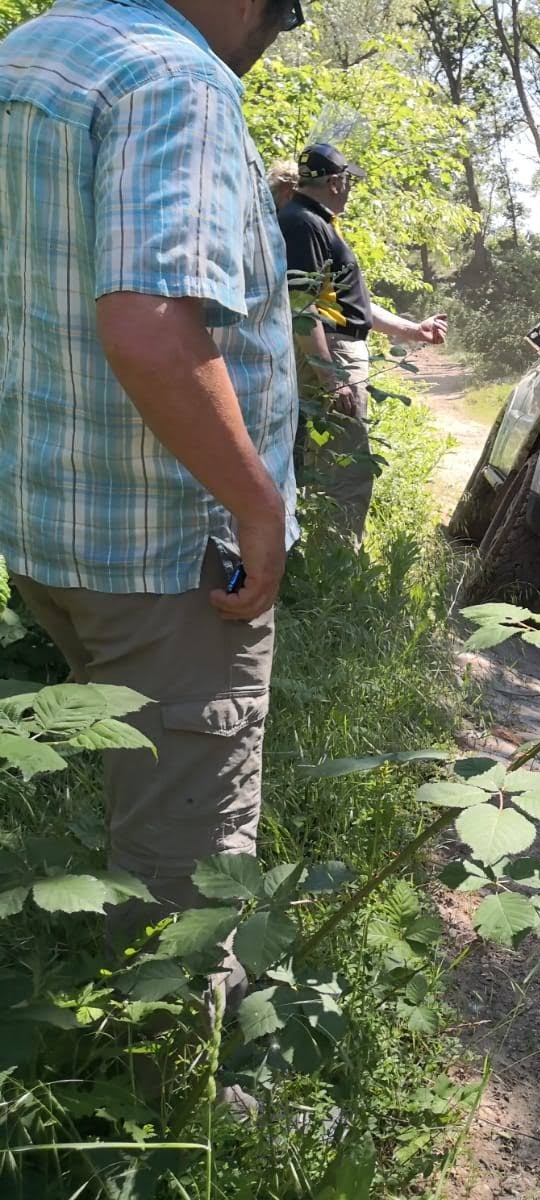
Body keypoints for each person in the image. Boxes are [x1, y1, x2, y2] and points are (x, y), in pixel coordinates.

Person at [0, 0, 304, 995]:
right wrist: (258, 509)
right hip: (168, 563)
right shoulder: (176, 82)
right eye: (286, 7)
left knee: (135, 788)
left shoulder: (32, 54)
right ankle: (183, 1119)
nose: (277, 30)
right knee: (188, 876)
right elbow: (152, 328)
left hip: (48, 533)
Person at [279, 143, 448, 544]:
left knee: (335, 463)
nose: (350, 188)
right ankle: (333, 565)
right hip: (332, 356)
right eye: (348, 180)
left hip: (336, 352)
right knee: (346, 470)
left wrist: (413, 330)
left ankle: (320, 557)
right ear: (336, 182)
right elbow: (302, 307)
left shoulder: (315, 221)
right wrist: (331, 377)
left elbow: (353, 305)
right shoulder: (304, 223)